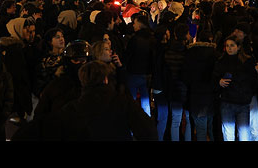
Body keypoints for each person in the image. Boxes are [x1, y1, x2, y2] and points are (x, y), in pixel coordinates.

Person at [11, 60, 157, 141]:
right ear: (105, 79)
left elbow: (39, 127)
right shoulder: (122, 102)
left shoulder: (73, 108)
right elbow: (147, 130)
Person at [212, 35, 258, 141]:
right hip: (228, 102)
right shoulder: (221, 61)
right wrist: (218, 81)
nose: (229, 48)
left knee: (244, 135)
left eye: (232, 45)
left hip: (242, 102)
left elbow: (253, 80)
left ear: (238, 47)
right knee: (230, 135)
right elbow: (214, 78)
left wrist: (248, 94)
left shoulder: (247, 61)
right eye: (227, 46)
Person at [32, 40, 91, 121]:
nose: (80, 64)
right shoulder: (56, 85)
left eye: (83, 61)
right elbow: (40, 114)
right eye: (76, 60)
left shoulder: (94, 85)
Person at [183, 29, 217, 141]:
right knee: (212, 128)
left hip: (195, 95)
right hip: (211, 95)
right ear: (211, 39)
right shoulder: (215, 54)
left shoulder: (190, 53)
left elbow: (186, 76)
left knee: (200, 129)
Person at [123, 12, 155, 116]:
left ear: (141, 24)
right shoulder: (152, 38)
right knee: (145, 100)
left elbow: (128, 55)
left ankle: (132, 126)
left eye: (135, 23)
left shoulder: (135, 39)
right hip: (147, 73)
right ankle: (147, 121)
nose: (133, 25)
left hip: (134, 72)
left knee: (132, 100)